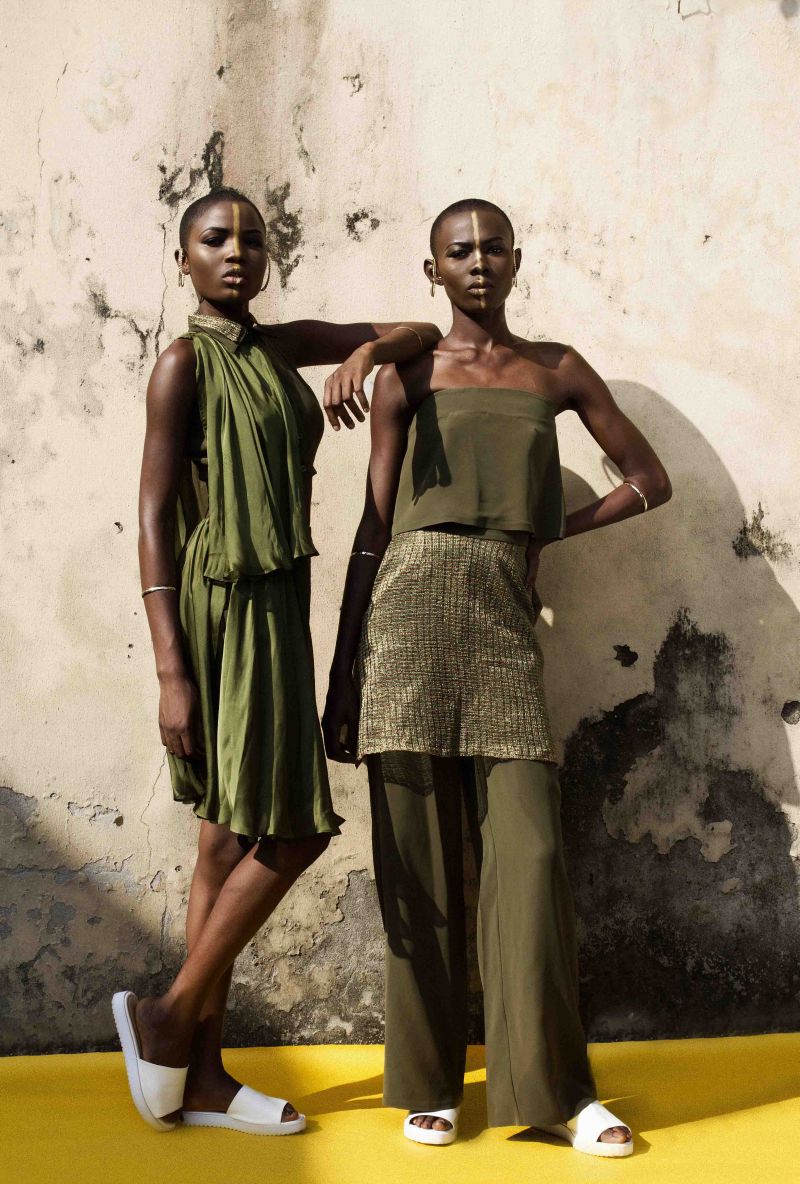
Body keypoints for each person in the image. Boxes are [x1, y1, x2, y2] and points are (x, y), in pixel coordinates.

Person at [322, 197, 672, 1157]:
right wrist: (343, 676)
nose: (478, 262)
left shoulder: (556, 370)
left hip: (502, 622)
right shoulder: (407, 373)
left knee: (530, 858)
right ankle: (429, 1083)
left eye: (492, 248)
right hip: (404, 618)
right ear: (432, 268)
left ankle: (555, 1091)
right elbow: (373, 528)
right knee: (419, 867)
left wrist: (552, 528)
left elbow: (648, 478)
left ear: (518, 260)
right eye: (458, 250)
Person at [112, 187, 441, 1137]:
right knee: (291, 830)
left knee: (224, 841)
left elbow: (420, 329)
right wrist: (171, 671)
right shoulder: (183, 363)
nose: (237, 253)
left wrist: (367, 354)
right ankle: (168, 1019)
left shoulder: (279, 343)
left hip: (279, 601)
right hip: (222, 607)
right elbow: (152, 515)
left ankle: (199, 1074)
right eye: (215, 239)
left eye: (253, 240)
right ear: (183, 258)